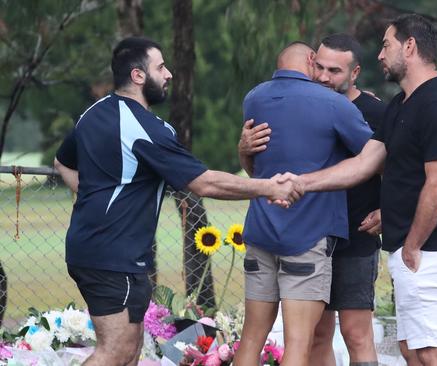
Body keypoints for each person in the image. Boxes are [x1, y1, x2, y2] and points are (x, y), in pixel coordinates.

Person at [53, 37, 302, 366]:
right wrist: (269, 187)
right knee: (114, 351)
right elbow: (204, 182)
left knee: (127, 351)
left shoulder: (92, 113)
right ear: (139, 76)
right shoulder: (146, 129)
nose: (169, 74)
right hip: (112, 256)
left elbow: (62, 163)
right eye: (161, 67)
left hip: (103, 250)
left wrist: (91, 204)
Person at [282, 14, 437, 366]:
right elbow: (364, 163)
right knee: (412, 351)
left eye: (387, 45)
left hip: (431, 248)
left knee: (433, 352)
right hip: (411, 249)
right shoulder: (403, 103)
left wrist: (413, 245)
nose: (381, 55)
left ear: (410, 46)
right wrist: (301, 183)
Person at [239, 33, 385, 366]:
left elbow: (258, 164)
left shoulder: (254, 98)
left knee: (252, 338)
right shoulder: (333, 104)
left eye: (334, 70)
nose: (323, 76)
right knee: (301, 344)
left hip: (269, 231)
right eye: (319, 66)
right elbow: (376, 155)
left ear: (355, 72)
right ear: (309, 62)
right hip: (309, 236)